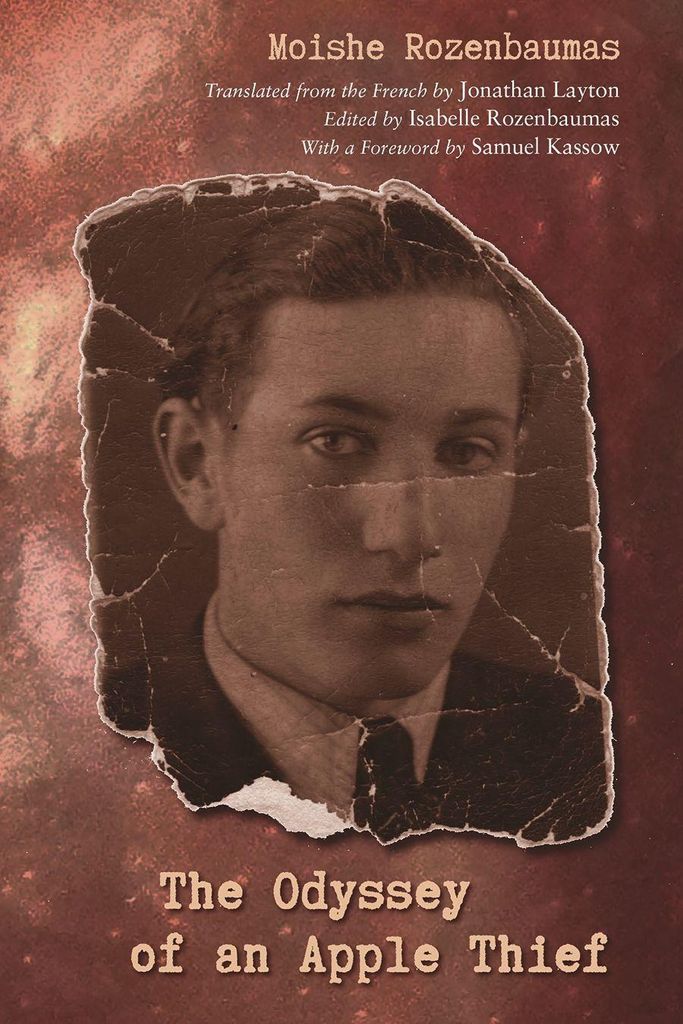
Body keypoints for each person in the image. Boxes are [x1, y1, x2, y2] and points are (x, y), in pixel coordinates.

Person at [137, 183, 610, 844]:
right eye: (335, 442)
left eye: (467, 452)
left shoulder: (602, 757)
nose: (409, 535)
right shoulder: (91, 757)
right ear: (197, 463)